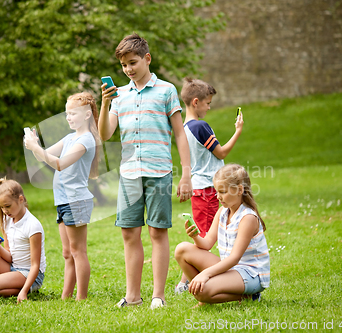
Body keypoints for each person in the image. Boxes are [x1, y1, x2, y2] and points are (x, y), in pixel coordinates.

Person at [99, 33, 193, 309]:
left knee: (157, 232)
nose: (128, 69)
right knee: (129, 232)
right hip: (129, 173)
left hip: (159, 171)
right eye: (124, 65)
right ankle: (133, 296)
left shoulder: (166, 90)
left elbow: (180, 134)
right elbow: (105, 134)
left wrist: (186, 174)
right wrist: (105, 103)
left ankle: (158, 296)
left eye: (133, 62)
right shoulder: (119, 96)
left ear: (147, 59)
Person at [24, 92, 99, 300]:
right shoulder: (69, 138)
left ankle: (81, 297)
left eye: (72, 113)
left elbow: (59, 163)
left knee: (78, 252)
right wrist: (34, 144)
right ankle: (66, 297)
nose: (68, 117)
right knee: (68, 253)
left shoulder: (86, 140)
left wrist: (36, 148)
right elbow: (46, 156)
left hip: (76, 200)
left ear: (86, 115)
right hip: (63, 201)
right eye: (67, 113)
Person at [175, 78, 244, 293]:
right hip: (208, 190)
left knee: (202, 238)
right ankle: (186, 281)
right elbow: (221, 152)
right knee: (204, 240)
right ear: (196, 102)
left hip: (200, 188)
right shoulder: (200, 126)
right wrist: (238, 130)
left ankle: (188, 279)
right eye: (208, 103)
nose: (209, 107)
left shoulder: (183, 128)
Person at [174, 164, 270, 306]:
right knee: (182, 250)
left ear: (239, 190)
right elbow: (206, 244)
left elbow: (234, 258)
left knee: (202, 292)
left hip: (250, 274)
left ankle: (250, 295)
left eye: (222, 192)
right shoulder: (222, 212)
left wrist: (205, 274)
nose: (218, 197)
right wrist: (195, 236)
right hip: (231, 269)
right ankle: (212, 292)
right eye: (217, 191)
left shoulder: (248, 218)